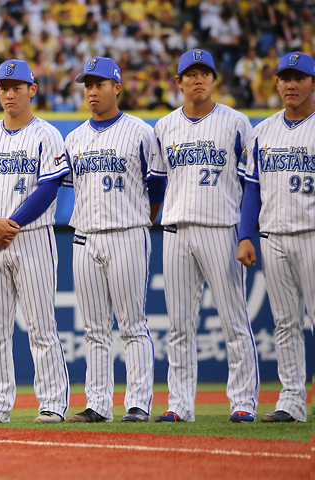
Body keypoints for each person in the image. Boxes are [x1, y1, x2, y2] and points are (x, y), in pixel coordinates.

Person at [0, 59, 70, 424]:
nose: (8, 93)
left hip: (31, 238)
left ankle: (52, 402)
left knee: (40, 325)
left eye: (16, 86)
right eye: (3, 87)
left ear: (32, 90)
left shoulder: (46, 134)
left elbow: (49, 188)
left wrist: (12, 223)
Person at [150, 49, 260, 423]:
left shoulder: (237, 123)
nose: (198, 79)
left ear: (214, 80)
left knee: (234, 320)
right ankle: (179, 404)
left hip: (221, 229)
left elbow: (252, 183)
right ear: (178, 81)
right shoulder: (164, 126)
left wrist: (246, 233)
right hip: (176, 230)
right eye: (190, 74)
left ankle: (243, 401)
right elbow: (157, 184)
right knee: (179, 325)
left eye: (205, 73)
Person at [63, 57, 162, 423]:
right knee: (94, 328)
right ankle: (98, 404)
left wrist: (139, 223)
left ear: (116, 87)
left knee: (132, 323)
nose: (92, 90)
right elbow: (74, 188)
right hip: (85, 237)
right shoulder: (73, 138)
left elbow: (157, 188)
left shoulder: (140, 131)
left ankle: (137, 402)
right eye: (87, 84)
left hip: (127, 234)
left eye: (99, 83)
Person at [237, 52, 315, 423]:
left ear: (312, 83)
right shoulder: (262, 130)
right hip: (272, 236)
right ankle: (292, 402)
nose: (291, 84)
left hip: (312, 234)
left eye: (299, 78)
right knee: (285, 323)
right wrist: (244, 236)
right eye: (285, 78)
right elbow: (251, 189)